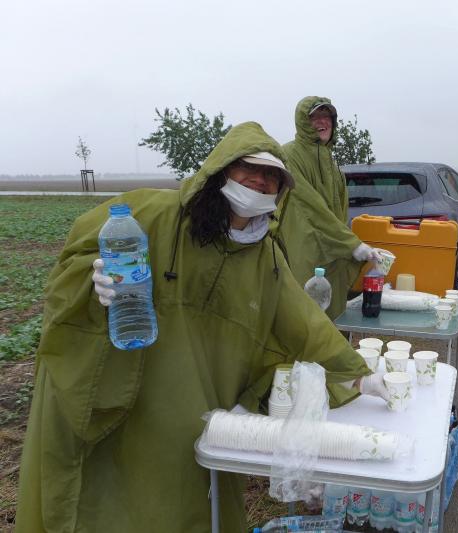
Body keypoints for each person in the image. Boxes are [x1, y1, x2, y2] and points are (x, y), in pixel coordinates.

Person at [16, 122, 390, 532]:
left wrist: (357, 374)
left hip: (203, 400)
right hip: (133, 387)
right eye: (250, 168)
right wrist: (92, 284)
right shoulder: (152, 213)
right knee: (111, 496)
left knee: (186, 497)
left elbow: (303, 321)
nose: (260, 181)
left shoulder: (264, 255)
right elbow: (72, 266)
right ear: (221, 169)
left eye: (272, 176)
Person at [275, 96, 377, 320]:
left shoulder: (331, 162)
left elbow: (340, 214)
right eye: (315, 117)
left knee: (336, 319)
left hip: (333, 255)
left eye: (327, 116)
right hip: (304, 255)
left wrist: (350, 248)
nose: (323, 121)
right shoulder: (289, 155)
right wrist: (351, 244)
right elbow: (310, 207)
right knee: (306, 321)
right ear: (303, 122)